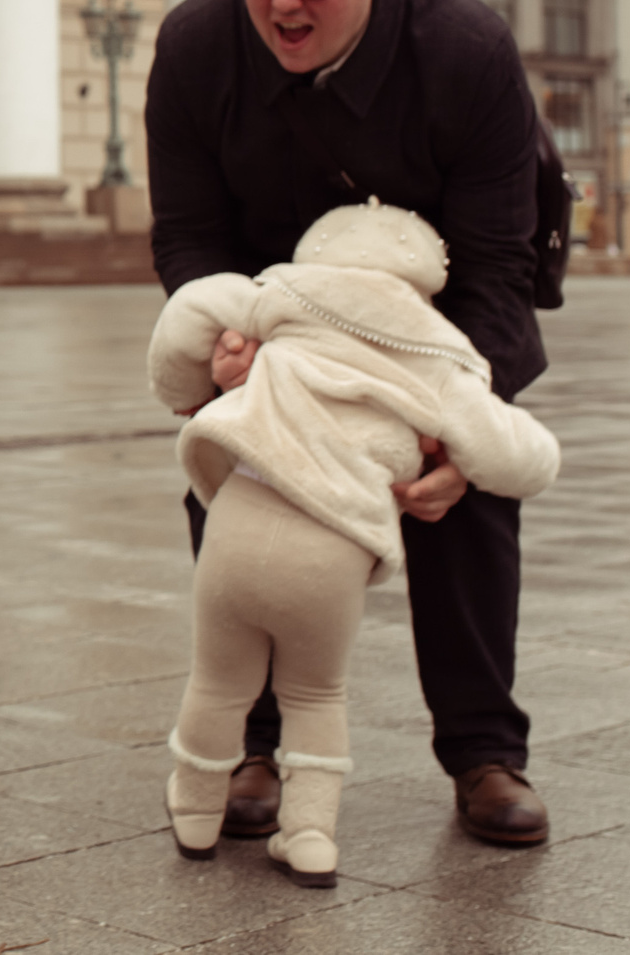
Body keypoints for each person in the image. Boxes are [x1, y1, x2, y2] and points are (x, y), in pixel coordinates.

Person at [145, 0, 557, 849]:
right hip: (273, 302)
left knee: (463, 485)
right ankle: (254, 743)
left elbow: (497, 264)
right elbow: (188, 234)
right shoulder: (198, 44)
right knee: (241, 463)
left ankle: (482, 752)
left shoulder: (464, 48)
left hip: (439, 309)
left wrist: (454, 421)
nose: (280, 3)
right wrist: (221, 343)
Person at [148, 200, 560, 886]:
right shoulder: (438, 348)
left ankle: (195, 813)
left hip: (236, 528)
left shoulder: (272, 294)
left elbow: (186, 312)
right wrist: (485, 450)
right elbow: (521, 455)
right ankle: (309, 837)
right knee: (316, 694)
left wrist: (187, 385)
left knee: (218, 683)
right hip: (332, 554)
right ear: (426, 278)